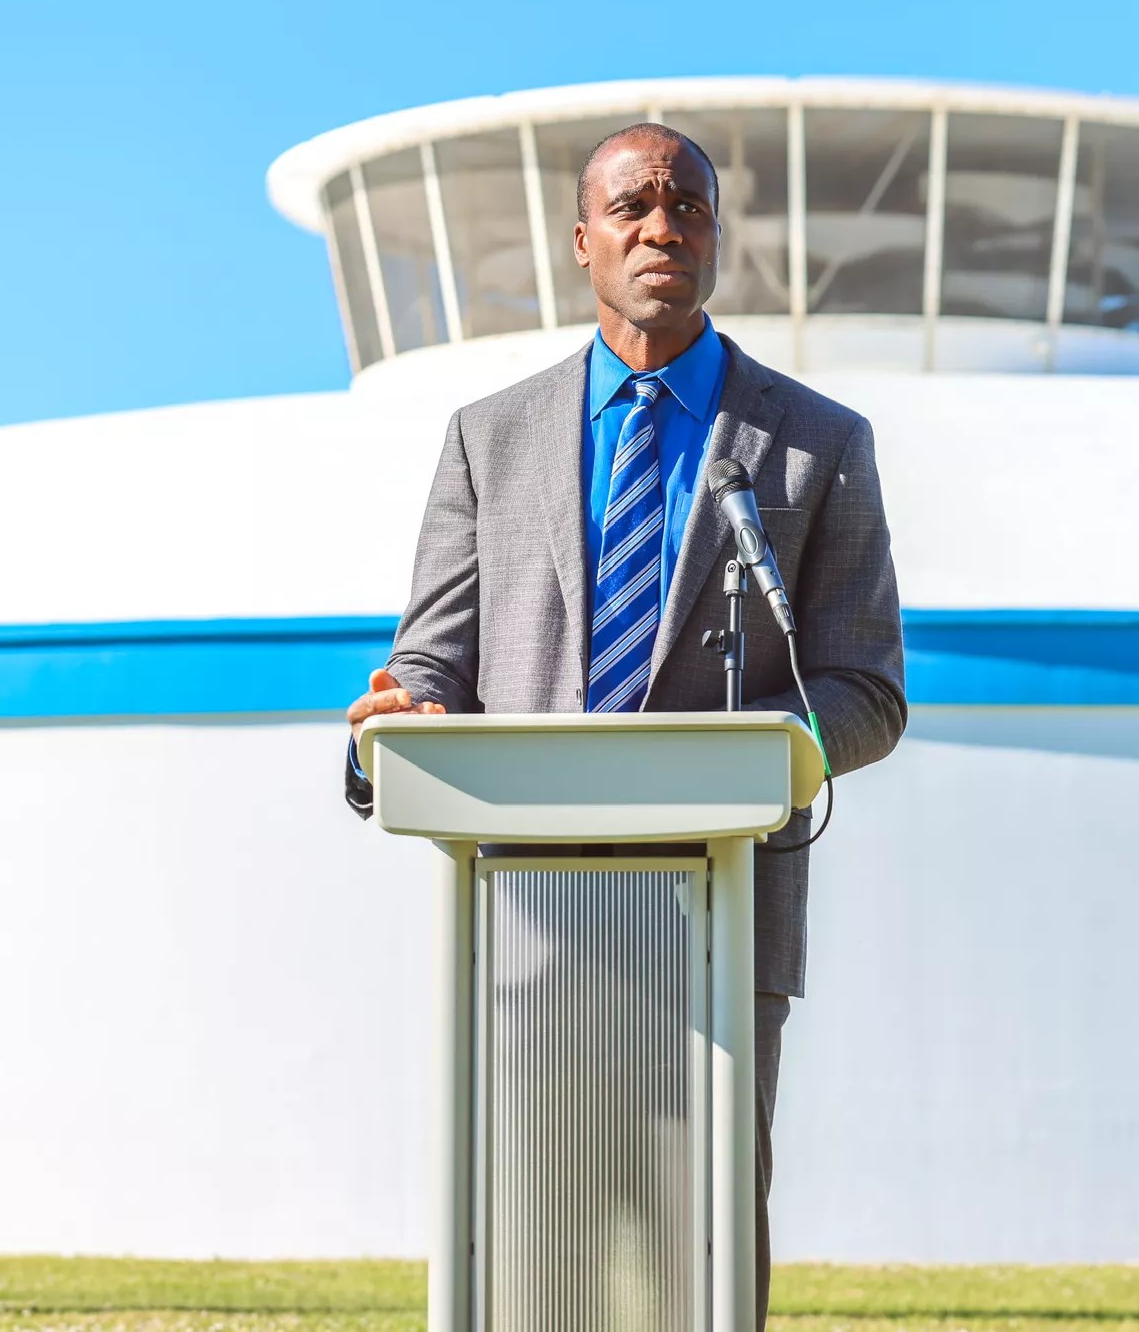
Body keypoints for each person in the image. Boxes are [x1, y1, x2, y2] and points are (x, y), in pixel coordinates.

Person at [342, 122, 906, 1326]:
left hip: (726, 916)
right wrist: (397, 712)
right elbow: (433, 655)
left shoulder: (817, 445)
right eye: (635, 206)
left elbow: (866, 690)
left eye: (687, 205)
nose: (663, 228)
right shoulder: (486, 439)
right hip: (530, 921)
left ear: (714, 234)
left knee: (697, 1264)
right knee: (538, 1258)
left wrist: (774, 754)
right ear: (584, 238)